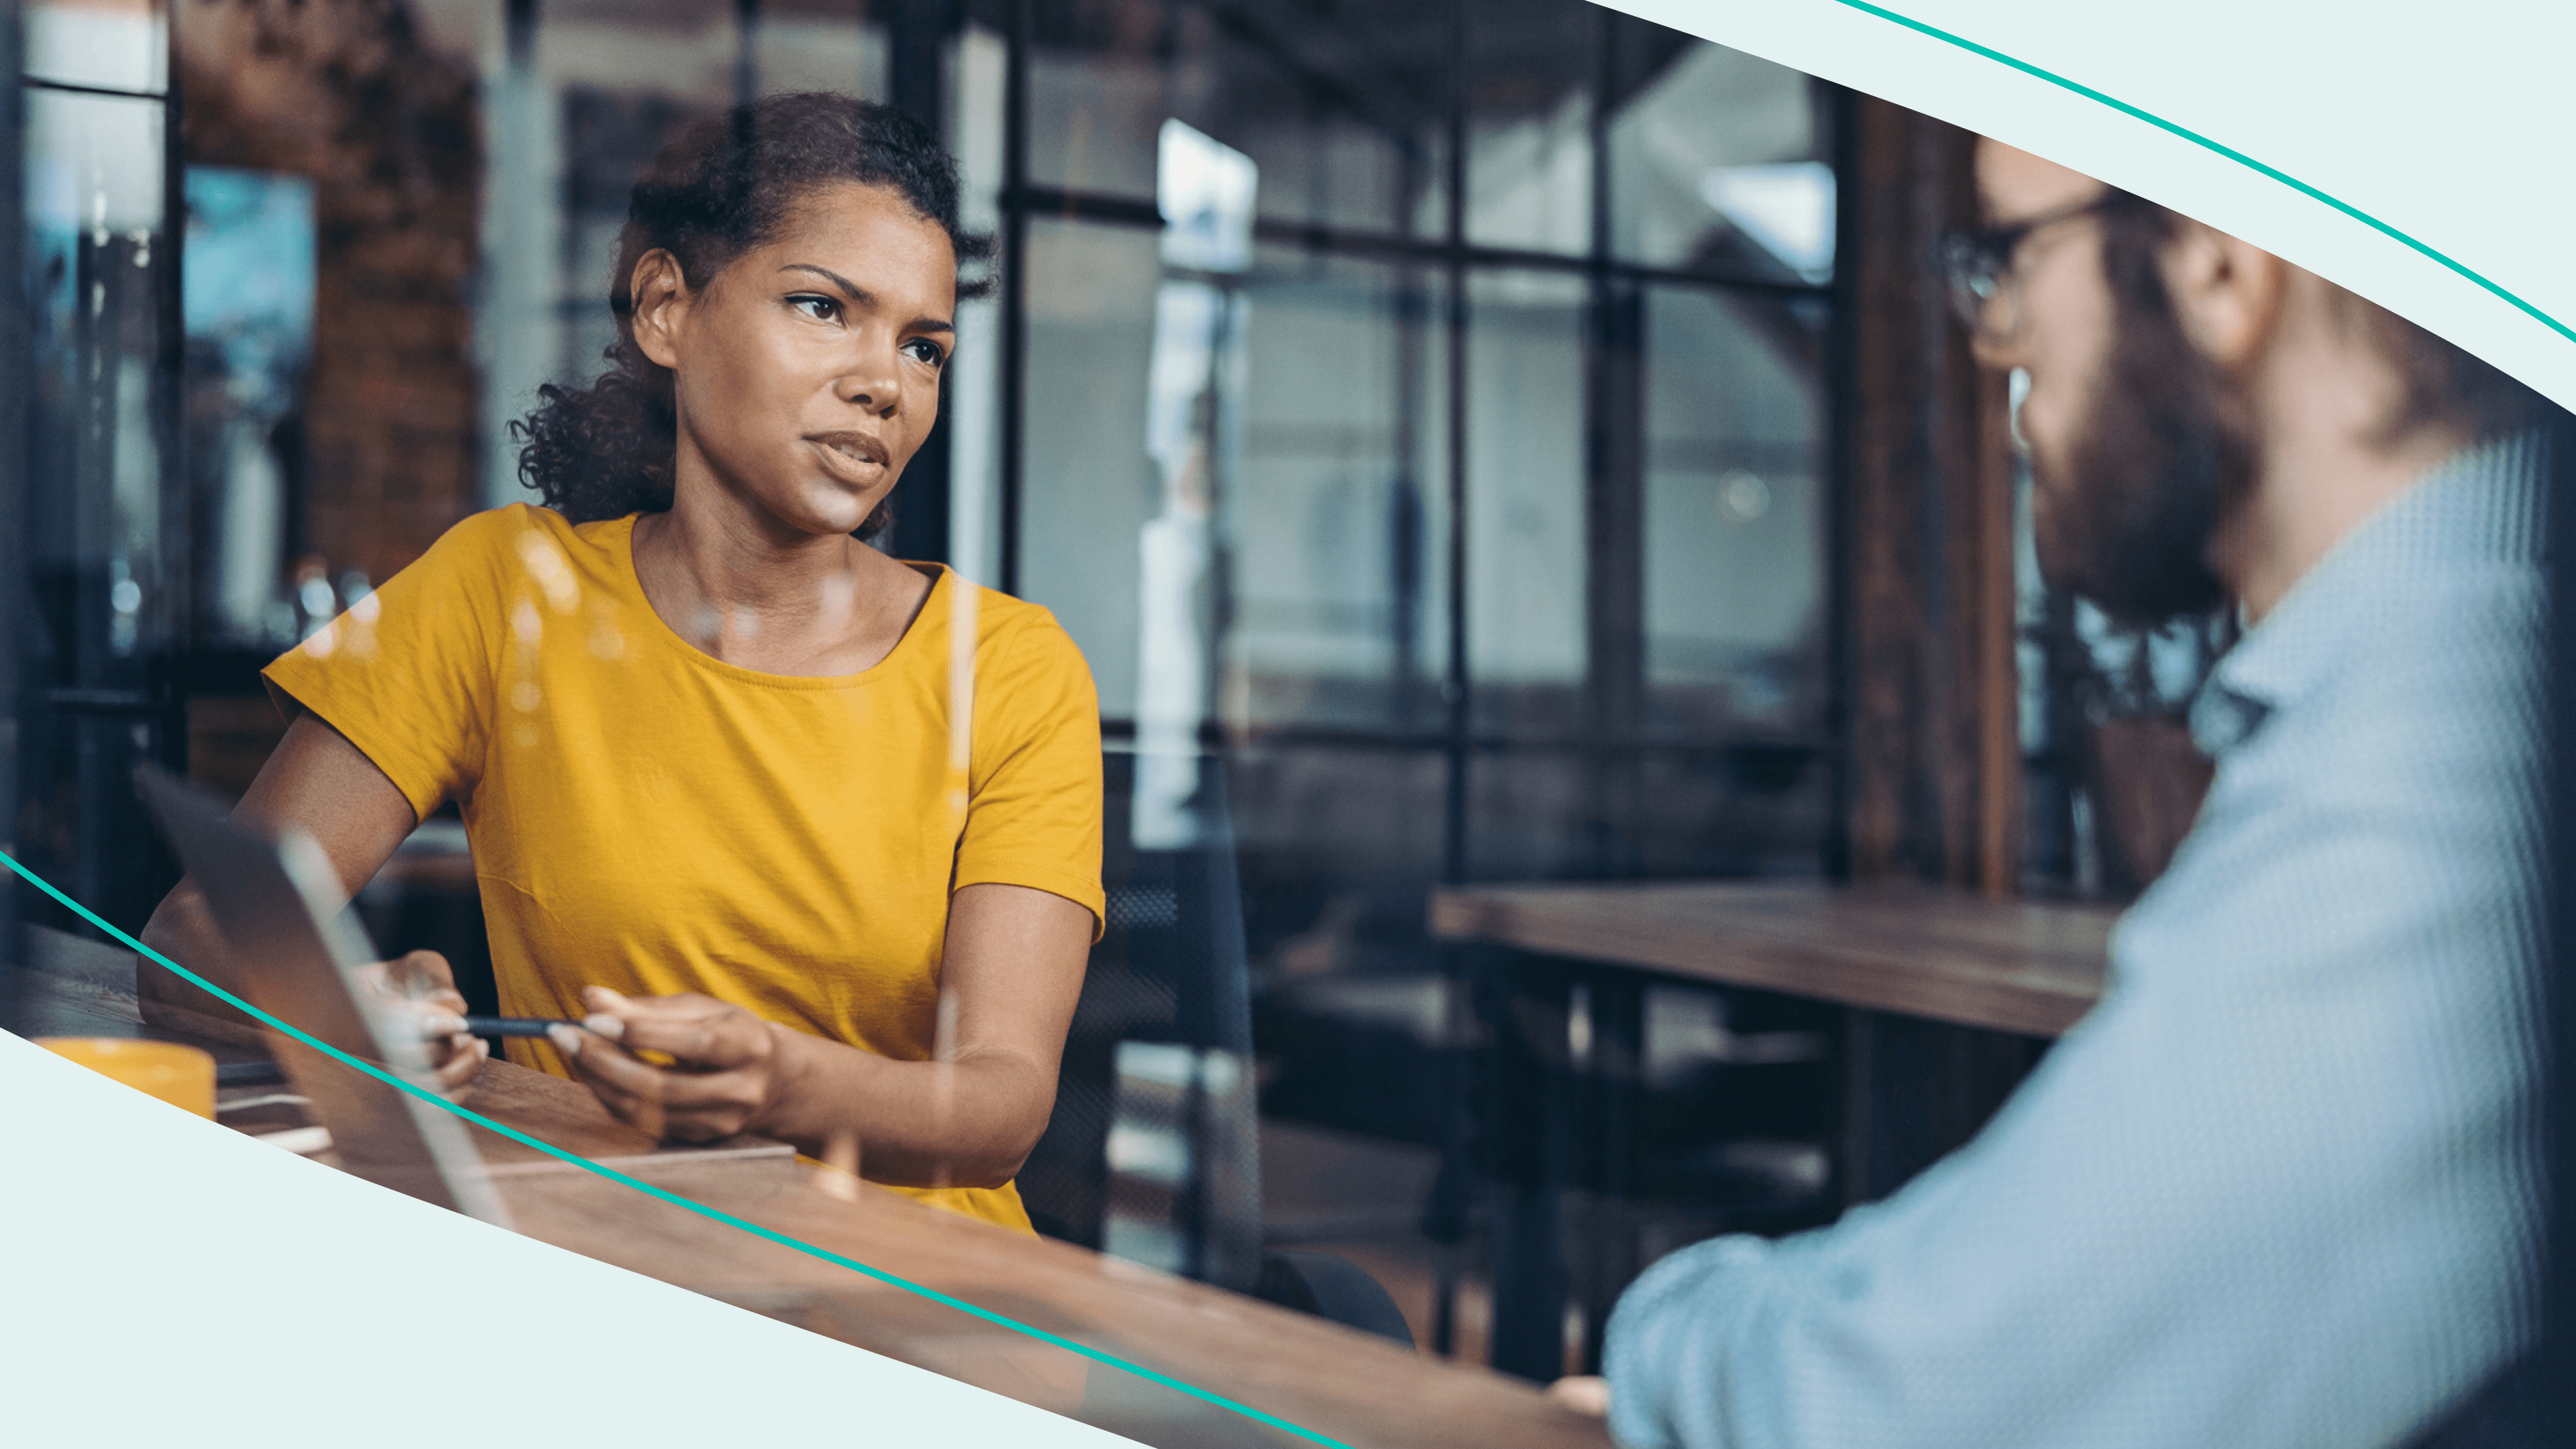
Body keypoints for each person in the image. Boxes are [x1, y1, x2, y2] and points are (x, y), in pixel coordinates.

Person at [1566, 140, 2555, 1445]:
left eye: (2011, 253)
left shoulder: (2466, 735)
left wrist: (1659, 1340)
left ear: (2217, 256)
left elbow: (1923, 1398)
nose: (1992, 338)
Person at [139, 93, 1102, 1234]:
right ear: (666, 309)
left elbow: (1002, 1104)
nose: (885, 383)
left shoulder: (1016, 667)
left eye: (923, 346)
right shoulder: (501, 586)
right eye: (823, 307)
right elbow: (190, 944)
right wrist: (343, 1010)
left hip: (929, 1314)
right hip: (607, 1266)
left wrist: (783, 1085)